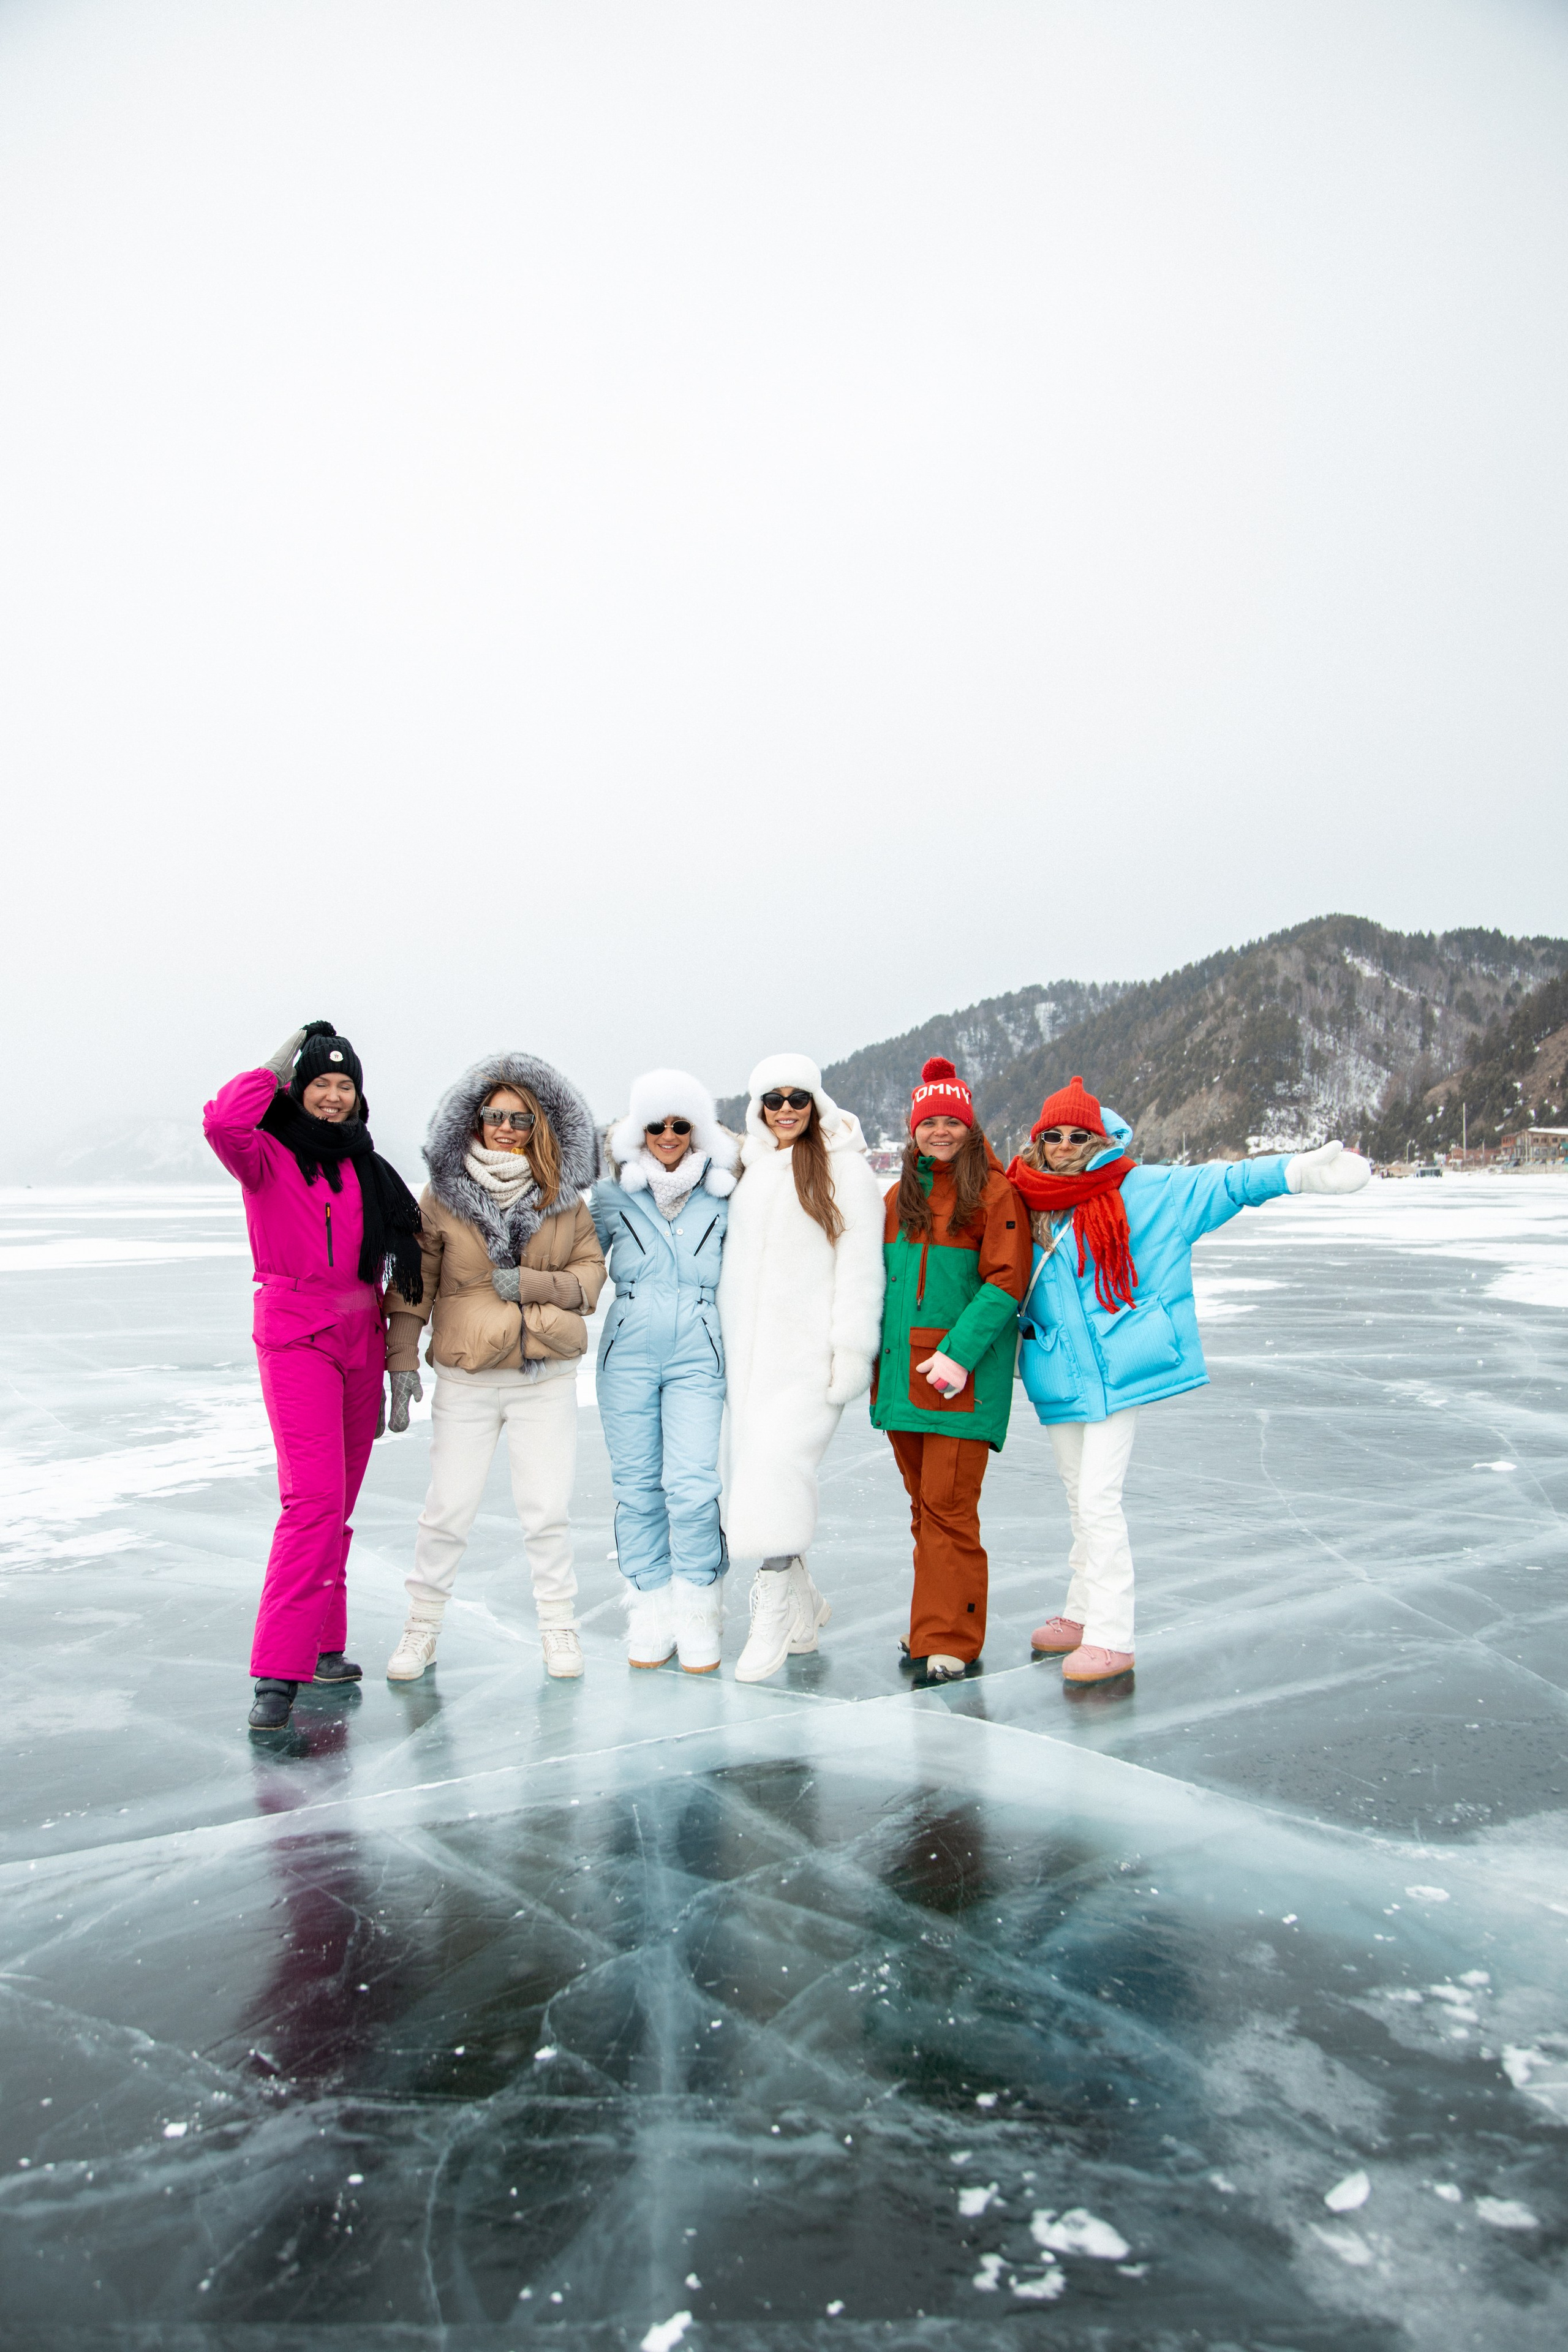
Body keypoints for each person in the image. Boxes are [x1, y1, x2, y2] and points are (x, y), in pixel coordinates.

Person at [1009, 1075, 1370, 1685]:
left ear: (1098, 1139)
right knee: (1080, 1498)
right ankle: (1081, 1611)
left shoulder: (1144, 1190)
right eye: (1054, 1135)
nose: (1065, 1145)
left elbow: (1225, 1183)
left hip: (1121, 1367)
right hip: (1058, 1372)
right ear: (1037, 1141)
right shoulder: (1019, 1197)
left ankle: (1112, 1635)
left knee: (1099, 1499)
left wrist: (1296, 1174)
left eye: (1078, 1135)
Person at [203, 1021, 424, 1732]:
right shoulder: (265, 1156)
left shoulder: (367, 1167)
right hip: (296, 1332)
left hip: (360, 1333)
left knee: (341, 1499)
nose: (333, 1097)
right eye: (321, 1084)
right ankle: (278, 1669)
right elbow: (222, 1120)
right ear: (299, 1091)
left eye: (345, 1085)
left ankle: (326, 1644)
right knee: (313, 1500)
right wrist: (273, 1065)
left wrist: (395, 1358)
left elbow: (400, 1264)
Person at [382, 1054, 605, 1683]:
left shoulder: (564, 1198)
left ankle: (557, 1624)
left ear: (539, 1125)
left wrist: (532, 1283)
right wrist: (402, 1363)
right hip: (467, 1375)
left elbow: (591, 1274)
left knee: (546, 1510)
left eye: (520, 1118)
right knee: (447, 1509)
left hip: (545, 1375)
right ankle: (421, 1627)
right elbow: (413, 1284)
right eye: (494, 1116)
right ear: (473, 1122)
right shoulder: (443, 1198)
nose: (506, 1127)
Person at [717, 1054, 885, 1681]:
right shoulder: (753, 1173)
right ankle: (805, 1605)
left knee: (774, 1474)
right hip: (749, 1363)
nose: (785, 1109)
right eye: (772, 1099)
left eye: (797, 1098)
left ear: (816, 1105)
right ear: (757, 1108)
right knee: (758, 1477)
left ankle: (770, 1604)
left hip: (808, 1360)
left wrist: (849, 1353)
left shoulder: (846, 1173)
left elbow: (861, 1270)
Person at [870, 1058, 1032, 1686]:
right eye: (928, 1121)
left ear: (968, 1127)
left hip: (957, 1382)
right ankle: (930, 1625)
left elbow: (1005, 1282)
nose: (939, 1131)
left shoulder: (993, 1194)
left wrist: (958, 1354)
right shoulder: (897, 1197)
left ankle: (951, 1639)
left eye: (951, 1121)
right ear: (913, 1130)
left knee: (949, 1508)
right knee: (924, 1509)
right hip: (902, 1381)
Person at [591, 1070, 740, 1673]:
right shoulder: (609, 1197)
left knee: (692, 1484)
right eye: (657, 1125)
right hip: (626, 1353)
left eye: (682, 1124)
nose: (669, 1135)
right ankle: (650, 1608)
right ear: (638, 1132)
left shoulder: (726, 1192)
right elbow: (574, 1258)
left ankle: (699, 1608)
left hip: (697, 1354)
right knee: (636, 1487)